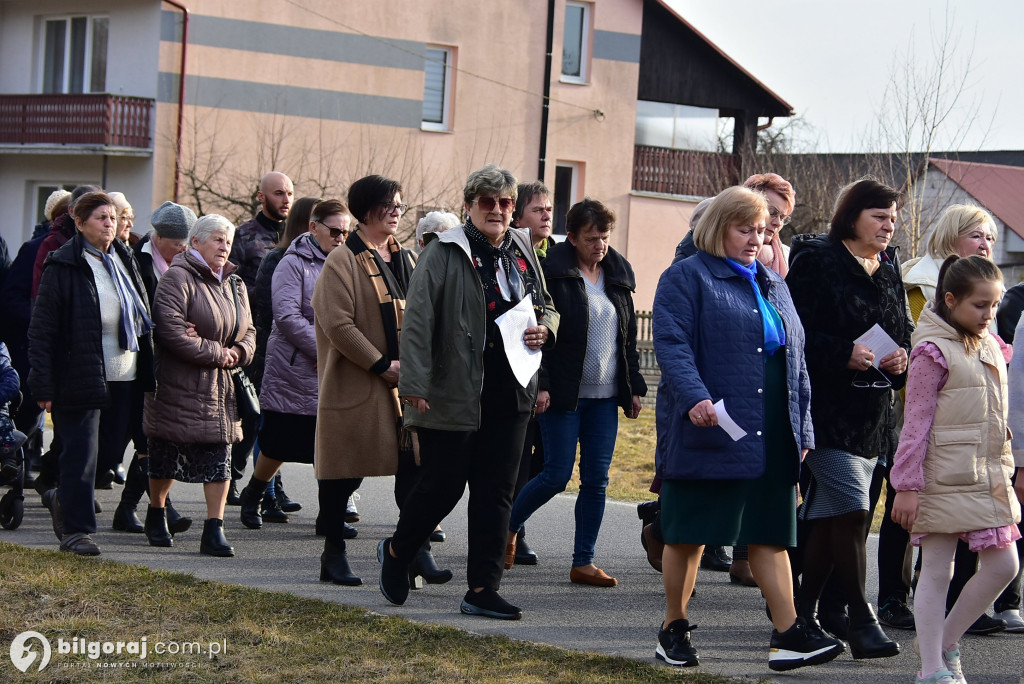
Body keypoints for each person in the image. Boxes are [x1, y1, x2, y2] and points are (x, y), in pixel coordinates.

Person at [652, 186, 842, 671]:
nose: (756, 239)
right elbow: (672, 344)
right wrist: (694, 396)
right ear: (718, 228)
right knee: (689, 533)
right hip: (713, 423)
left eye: (761, 230)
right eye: (745, 229)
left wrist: (803, 431)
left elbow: (796, 362)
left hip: (773, 428)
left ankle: (788, 633)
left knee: (770, 532)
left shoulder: (774, 283)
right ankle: (673, 627)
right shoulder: (686, 277)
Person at [380, 164, 559, 620]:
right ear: (469, 205)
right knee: (443, 487)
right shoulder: (444, 251)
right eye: (487, 202)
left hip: (513, 386)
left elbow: (545, 304)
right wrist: (414, 385)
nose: (497, 210)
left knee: (497, 492)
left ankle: (482, 588)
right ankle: (399, 551)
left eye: (505, 203)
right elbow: (417, 322)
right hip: (456, 388)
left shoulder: (521, 246)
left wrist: (546, 330)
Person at [786, 177, 910, 659]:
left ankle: (801, 612)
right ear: (853, 216)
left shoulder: (888, 265)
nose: (888, 224)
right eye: (879, 215)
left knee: (830, 518)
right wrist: (844, 353)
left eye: (893, 217)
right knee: (854, 510)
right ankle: (862, 618)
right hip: (825, 411)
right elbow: (792, 335)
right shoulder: (818, 259)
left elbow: (899, 328)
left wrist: (899, 358)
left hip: (873, 416)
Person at [891, 255, 1022, 684]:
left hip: (987, 476)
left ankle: (945, 642)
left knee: (1005, 565)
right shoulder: (932, 352)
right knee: (937, 569)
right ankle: (931, 669)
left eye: (995, 305)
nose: (989, 315)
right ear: (950, 300)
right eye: (979, 306)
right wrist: (906, 486)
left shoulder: (990, 343)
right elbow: (915, 423)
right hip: (940, 475)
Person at [507, 198, 645, 587]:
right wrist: (543, 384)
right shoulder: (552, 270)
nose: (599, 245)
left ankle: (583, 561)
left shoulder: (618, 273)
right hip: (563, 394)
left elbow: (627, 339)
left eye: (604, 237)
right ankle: (509, 527)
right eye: (591, 238)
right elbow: (535, 331)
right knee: (555, 474)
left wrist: (633, 388)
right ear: (573, 236)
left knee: (596, 480)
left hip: (605, 398)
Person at [311, 176, 438, 587]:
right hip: (358, 383)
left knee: (416, 469)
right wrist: (382, 364)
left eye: (401, 203)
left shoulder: (406, 258)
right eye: (390, 204)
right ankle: (333, 554)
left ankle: (415, 548)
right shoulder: (342, 260)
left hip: (405, 386)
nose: (398, 211)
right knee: (344, 473)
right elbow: (338, 324)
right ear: (367, 209)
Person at [28, 191, 155, 556]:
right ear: (79, 222)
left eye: (113, 217)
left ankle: (61, 497)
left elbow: (142, 315)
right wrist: (43, 383)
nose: (110, 224)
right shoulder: (63, 264)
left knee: (109, 454)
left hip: (125, 374)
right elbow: (43, 329)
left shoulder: (124, 258)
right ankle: (76, 531)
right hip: (78, 374)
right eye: (101, 217)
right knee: (81, 454)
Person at [144, 214, 256, 557]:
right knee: (166, 455)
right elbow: (171, 332)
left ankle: (214, 528)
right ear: (195, 242)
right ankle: (157, 512)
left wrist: (237, 352)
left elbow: (250, 331)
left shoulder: (235, 284)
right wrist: (217, 352)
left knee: (219, 457)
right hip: (178, 384)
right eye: (217, 239)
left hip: (220, 388)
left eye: (228, 240)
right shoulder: (177, 278)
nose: (224, 246)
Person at [237, 199, 350, 530]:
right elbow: (286, 317)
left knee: (330, 446)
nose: (341, 237)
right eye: (335, 231)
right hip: (294, 368)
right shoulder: (292, 263)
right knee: (279, 444)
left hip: (333, 369)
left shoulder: (346, 263)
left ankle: (330, 516)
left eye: (346, 231)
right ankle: (255, 492)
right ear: (314, 228)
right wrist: (325, 351)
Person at [111, 201, 195, 535]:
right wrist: (175, 328)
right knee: (147, 439)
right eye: (177, 243)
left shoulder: (186, 263)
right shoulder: (138, 262)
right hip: (142, 363)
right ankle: (162, 510)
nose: (183, 249)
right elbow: (141, 314)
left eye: (186, 243)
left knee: (153, 440)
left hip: (171, 363)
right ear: (158, 237)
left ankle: (128, 508)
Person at [248, 195, 323, 519]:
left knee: (326, 439)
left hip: (319, 363)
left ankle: (330, 509)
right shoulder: (281, 258)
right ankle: (263, 493)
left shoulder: (338, 260)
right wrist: (323, 348)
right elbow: (274, 312)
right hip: (282, 359)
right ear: (310, 224)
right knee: (276, 437)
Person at [226, 171, 294, 506]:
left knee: (275, 416)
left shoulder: (298, 237)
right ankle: (233, 480)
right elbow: (230, 288)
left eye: (290, 193)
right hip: (254, 338)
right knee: (248, 415)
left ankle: (271, 488)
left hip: (286, 340)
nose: (286, 200)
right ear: (261, 197)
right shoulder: (244, 236)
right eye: (279, 193)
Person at [507, 181, 555, 564]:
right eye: (538, 209)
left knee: (544, 464)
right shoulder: (511, 253)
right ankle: (513, 534)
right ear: (517, 215)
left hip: (547, 373)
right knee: (518, 460)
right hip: (517, 376)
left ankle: (513, 523)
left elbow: (554, 314)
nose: (546, 215)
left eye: (549, 209)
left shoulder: (554, 257)